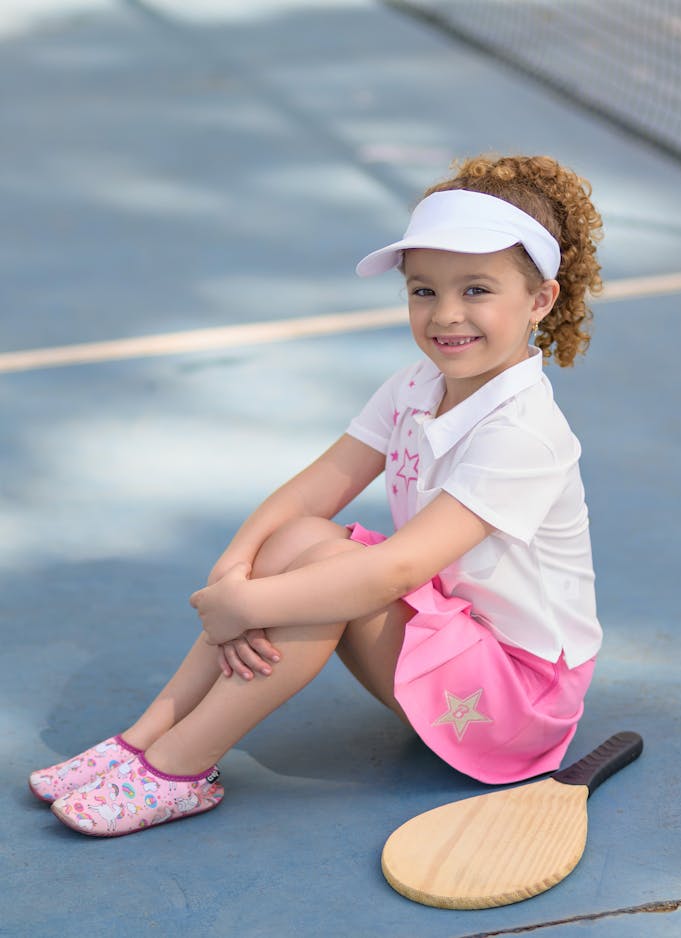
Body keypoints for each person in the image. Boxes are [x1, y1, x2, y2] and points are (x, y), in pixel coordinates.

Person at [29, 153, 605, 837]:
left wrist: (246, 605)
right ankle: (145, 738)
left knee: (333, 576)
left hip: (515, 703)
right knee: (299, 542)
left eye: (477, 289)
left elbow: (396, 571)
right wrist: (232, 570)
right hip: (452, 646)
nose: (446, 315)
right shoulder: (414, 386)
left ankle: (179, 767)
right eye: (423, 291)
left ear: (540, 299)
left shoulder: (524, 432)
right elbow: (309, 495)